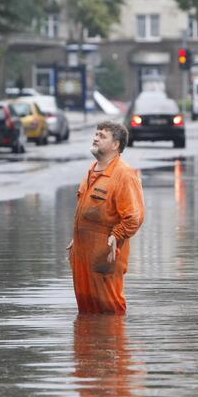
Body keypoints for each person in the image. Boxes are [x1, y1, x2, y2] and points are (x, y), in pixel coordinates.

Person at [67, 121, 145, 314]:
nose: (95, 138)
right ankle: (89, 343)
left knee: (110, 310)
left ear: (116, 144)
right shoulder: (92, 170)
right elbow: (88, 212)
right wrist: (77, 237)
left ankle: (113, 342)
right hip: (82, 254)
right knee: (87, 310)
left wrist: (116, 235)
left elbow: (134, 217)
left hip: (106, 254)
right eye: (96, 134)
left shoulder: (124, 174)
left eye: (102, 136)